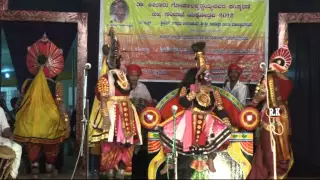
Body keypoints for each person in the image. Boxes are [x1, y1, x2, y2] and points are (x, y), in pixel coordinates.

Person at [158, 42, 235, 179]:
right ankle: (169, 162)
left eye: (208, 75)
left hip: (208, 121)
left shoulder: (213, 92)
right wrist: (193, 91)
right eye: (205, 75)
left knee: (216, 135)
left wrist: (226, 121)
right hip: (189, 120)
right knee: (173, 135)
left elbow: (220, 109)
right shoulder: (188, 89)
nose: (207, 78)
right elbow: (183, 102)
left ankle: (210, 159)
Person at [89, 27, 142, 179]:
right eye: (117, 59)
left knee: (126, 142)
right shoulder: (105, 78)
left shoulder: (123, 77)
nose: (119, 61)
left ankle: (121, 169)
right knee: (110, 142)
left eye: (118, 58)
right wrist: (105, 117)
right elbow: (103, 99)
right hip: (112, 112)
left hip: (126, 112)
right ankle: (110, 170)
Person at [14, 54, 70, 179]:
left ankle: (34, 168)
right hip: (50, 123)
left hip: (31, 123)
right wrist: (66, 120)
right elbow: (60, 105)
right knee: (51, 146)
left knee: (32, 146)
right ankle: (50, 168)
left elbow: (19, 104)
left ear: (34, 65)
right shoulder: (56, 85)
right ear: (49, 67)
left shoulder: (27, 84)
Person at [247, 45, 294, 179]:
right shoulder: (288, 81)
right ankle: (276, 174)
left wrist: (252, 105)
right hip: (283, 116)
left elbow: (260, 95)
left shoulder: (269, 78)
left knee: (269, 146)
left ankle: (273, 175)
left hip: (271, 116)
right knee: (280, 147)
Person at [0, 106, 22, 179]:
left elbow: (5, 127)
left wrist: (10, 134)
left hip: (0, 140)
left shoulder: (0, 110)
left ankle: (12, 176)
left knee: (18, 148)